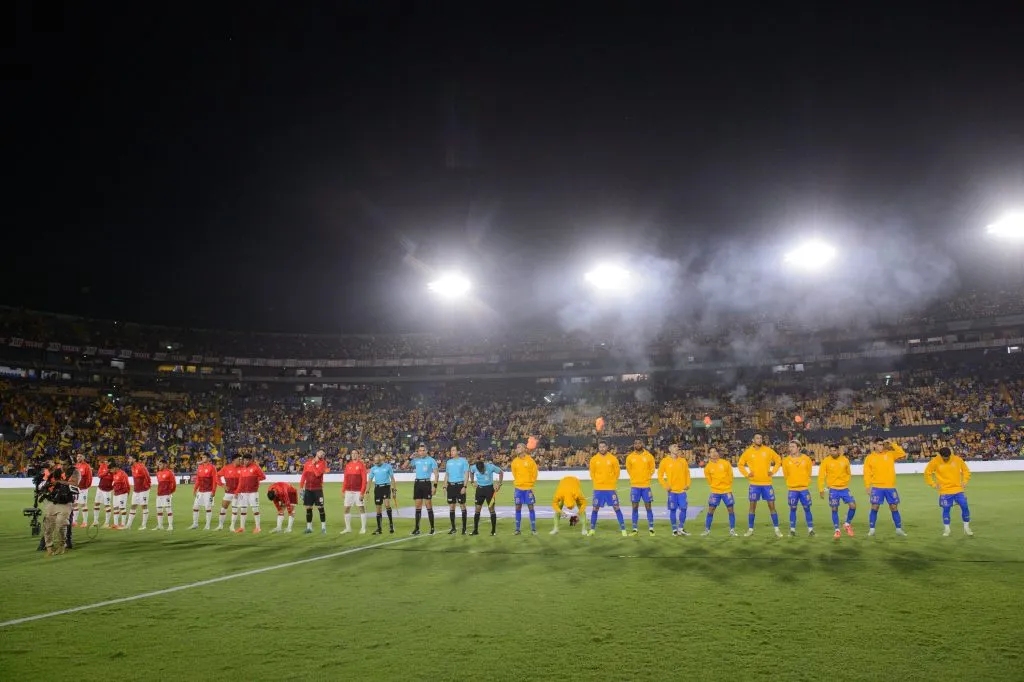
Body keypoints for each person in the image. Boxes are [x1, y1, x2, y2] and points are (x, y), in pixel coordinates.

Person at [737, 434, 782, 537]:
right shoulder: (748, 452)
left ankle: (777, 529)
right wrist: (747, 474)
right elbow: (740, 464)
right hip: (754, 484)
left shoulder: (768, 450)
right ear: (753, 440)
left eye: (761, 438)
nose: (759, 439)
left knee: (772, 506)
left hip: (767, 484)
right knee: (752, 507)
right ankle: (750, 529)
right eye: (757, 438)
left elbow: (778, 460)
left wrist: (773, 471)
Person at [923, 446, 973, 537]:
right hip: (945, 491)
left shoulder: (957, 459)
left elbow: (966, 471)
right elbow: (927, 474)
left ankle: (967, 527)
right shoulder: (934, 461)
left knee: (965, 507)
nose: (946, 459)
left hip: (958, 489)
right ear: (940, 455)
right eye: (944, 457)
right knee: (946, 509)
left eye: (948, 457)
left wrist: (965, 481)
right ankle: (947, 529)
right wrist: (933, 484)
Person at [863, 438, 908, 537]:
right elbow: (867, 473)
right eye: (879, 444)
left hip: (890, 487)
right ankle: (872, 529)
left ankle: (898, 529)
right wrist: (867, 486)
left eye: (883, 444)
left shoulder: (890, 454)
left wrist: (892, 444)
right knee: (875, 507)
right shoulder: (870, 458)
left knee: (894, 507)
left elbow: (902, 454)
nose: (881, 446)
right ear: (874, 445)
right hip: (877, 487)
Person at [40, 455, 80, 556]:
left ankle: (62, 545)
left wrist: (58, 482)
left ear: (70, 464)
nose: (62, 466)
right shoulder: (57, 471)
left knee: (61, 525)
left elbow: (75, 484)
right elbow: (48, 482)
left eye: (65, 464)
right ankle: (49, 546)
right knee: (48, 526)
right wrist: (45, 486)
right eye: (61, 464)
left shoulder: (75, 472)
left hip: (66, 502)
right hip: (53, 500)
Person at [588, 441, 626, 536]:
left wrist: (611, 482)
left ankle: (623, 529)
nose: (602, 448)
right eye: (600, 447)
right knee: (595, 508)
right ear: (598, 448)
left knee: (616, 507)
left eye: (603, 447)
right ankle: (592, 529)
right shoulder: (594, 459)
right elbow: (592, 473)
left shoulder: (613, 459)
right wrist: (597, 482)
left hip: (610, 489)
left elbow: (617, 472)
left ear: (607, 447)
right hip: (598, 489)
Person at [818, 445, 856, 539]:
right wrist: (821, 489)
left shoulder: (845, 460)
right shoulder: (826, 461)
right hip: (833, 489)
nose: (832, 452)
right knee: (834, 508)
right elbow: (821, 476)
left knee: (853, 505)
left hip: (844, 488)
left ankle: (847, 524)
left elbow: (848, 473)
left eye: (834, 450)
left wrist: (844, 482)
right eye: (830, 451)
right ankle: (837, 530)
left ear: (838, 451)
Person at [657, 444, 691, 536]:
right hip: (672, 491)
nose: (677, 448)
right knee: (673, 510)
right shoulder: (665, 461)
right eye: (675, 447)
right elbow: (659, 476)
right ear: (670, 449)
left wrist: (688, 484)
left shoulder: (683, 461)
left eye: (678, 447)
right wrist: (665, 486)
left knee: (684, 509)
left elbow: (687, 473)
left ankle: (680, 528)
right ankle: (674, 530)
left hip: (682, 491)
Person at [702, 447, 737, 537]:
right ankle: (707, 529)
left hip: (726, 490)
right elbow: (709, 480)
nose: (713, 453)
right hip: (715, 491)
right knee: (711, 510)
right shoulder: (708, 467)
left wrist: (727, 485)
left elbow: (730, 475)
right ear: (709, 454)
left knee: (730, 510)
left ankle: (732, 530)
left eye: (715, 451)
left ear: (718, 453)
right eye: (711, 452)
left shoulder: (725, 463)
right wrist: (715, 485)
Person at [782, 441, 814, 537]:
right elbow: (785, 474)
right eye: (790, 446)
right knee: (792, 509)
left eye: (793, 446)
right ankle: (792, 530)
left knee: (807, 508)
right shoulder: (786, 460)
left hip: (804, 489)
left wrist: (804, 481)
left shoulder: (806, 459)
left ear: (799, 447)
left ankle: (811, 530)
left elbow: (809, 472)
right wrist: (792, 482)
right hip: (792, 489)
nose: (790, 448)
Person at [625, 438, 657, 536]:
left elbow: (652, 469)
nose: (637, 444)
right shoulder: (630, 457)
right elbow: (629, 469)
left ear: (642, 444)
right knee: (634, 507)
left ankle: (651, 528)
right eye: (635, 443)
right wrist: (635, 477)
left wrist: (647, 477)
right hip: (635, 486)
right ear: (634, 445)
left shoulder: (649, 456)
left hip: (646, 486)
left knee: (648, 507)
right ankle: (635, 529)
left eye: (639, 443)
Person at [469, 457, 503, 536]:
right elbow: (471, 471)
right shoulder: (474, 467)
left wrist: (499, 484)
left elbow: (501, 472)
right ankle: (475, 530)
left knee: (491, 509)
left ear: (484, 466)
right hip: (479, 490)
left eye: (482, 470)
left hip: (489, 490)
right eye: (479, 471)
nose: (481, 472)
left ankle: (493, 531)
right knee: (477, 510)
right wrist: (472, 482)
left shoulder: (490, 466)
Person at [440, 446, 470, 535]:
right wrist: (444, 486)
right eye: (451, 450)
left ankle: (464, 528)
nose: (451, 452)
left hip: (460, 485)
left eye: (453, 450)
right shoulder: (449, 462)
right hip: (451, 486)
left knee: (462, 506)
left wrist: (464, 486)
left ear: (458, 451)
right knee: (452, 507)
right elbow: (447, 475)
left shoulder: (463, 461)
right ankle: (453, 528)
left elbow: (466, 474)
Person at [510, 443, 539, 535]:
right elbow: (514, 474)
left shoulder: (530, 460)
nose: (517, 449)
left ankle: (533, 529)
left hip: (528, 488)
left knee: (531, 507)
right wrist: (519, 482)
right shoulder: (514, 462)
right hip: (518, 488)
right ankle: (517, 529)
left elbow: (535, 473)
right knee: (518, 507)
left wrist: (530, 484)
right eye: (516, 447)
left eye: (519, 447)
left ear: (524, 448)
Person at [410, 444, 439, 536]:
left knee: (428, 506)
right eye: (419, 450)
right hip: (417, 483)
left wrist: (435, 486)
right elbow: (404, 466)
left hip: (426, 483)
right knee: (418, 506)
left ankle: (432, 528)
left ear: (426, 451)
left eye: (423, 450)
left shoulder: (431, 460)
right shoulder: (416, 460)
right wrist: (410, 457)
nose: (421, 452)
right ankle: (417, 529)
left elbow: (436, 474)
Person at [234, 453, 266, 533]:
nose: (245, 461)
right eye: (244, 460)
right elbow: (240, 481)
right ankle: (242, 527)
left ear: (250, 460)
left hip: (253, 492)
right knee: (243, 510)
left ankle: (258, 528)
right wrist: (237, 492)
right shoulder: (242, 469)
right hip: (243, 493)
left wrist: (255, 481)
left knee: (255, 509)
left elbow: (263, 477)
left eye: (247, 460)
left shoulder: (255, 467)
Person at [300, 449, 329, 534]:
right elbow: (304, 475)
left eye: (323, 453)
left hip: (317, 489)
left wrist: (313, 465)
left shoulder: (323, 463)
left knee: (320, 508)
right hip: (308, 489)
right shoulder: (307, 463)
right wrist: (301, 487)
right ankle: (309, 528)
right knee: (308, 508)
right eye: (320, 452)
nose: (321, 454)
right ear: (317, 453)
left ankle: (323, 528)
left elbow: (317, 474)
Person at [340, 448, 368, 535]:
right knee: (346, 509)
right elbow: (345, 479)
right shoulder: (348, 465)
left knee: (361, 508)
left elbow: (364, 480)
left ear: (358, 455)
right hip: (348, 491)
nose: (354, 455)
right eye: (352, 453)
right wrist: (343, 490)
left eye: (355, 453)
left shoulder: (361, 465)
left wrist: (362, 492)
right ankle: (348, 528)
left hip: (358, 491)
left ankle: (363, 528)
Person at [368, 454, 397, 535]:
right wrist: (367, 490)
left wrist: (394, 490)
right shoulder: (373, 468)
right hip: (377, 489)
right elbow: (370, 479)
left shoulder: (388, 466)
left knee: (387, 505)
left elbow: (392, 478)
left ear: (381, 460)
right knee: (378, 508)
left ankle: (391, 525)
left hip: (386, 487)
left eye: (377, 462)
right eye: (375, 462)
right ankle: (379, 528)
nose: (376, 464)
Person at [190, 454, 219, 530]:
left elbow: (215, 481)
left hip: (208, 492)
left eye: (204, 457)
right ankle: (195, 524)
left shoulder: (212, 467)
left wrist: (213, 491)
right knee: (195, 507)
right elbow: (198, 480)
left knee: (208, 508)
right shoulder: (200, 467)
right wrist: (195, 489)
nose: (203, 458)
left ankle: (207, 525)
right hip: (200, 491)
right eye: (202, 457)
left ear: (208, 458)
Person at [216, 454, 242, 531]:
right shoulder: (226, 468)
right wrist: (222, 485)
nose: (241, 461)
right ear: (234, 460)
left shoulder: (243, 468)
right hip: (228, 493)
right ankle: (220, 526)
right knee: (223, 509)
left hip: (237, 493)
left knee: (235, 510)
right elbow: (217, 476)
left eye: (241, 459)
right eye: (239, 459)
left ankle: (232, 526)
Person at [126, 455, 152, 531]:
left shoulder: (141, 467)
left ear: (134, 459)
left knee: (144, 506)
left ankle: (143, 525)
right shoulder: (132, 467)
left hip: (143, 490)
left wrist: (147, 487)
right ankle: (128, 525)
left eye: (130, 459)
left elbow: (147, 477)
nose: (128, 460)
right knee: (133, 506)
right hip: (136, 490)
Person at [92, 458, 115, 528]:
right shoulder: (103, 466)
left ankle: (107, 523)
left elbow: (115, 480)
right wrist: (106, 472)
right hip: (100, 488)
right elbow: (99, 475)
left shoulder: (114, 471)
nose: (106, 463)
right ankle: (95, 521)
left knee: (107, 506)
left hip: (107, 491)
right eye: (106, 462)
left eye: (107, 462)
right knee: (96, 504)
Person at [155, 460, 176, 531]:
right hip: (159, 494)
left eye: (160, 464)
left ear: (164, 465)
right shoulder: (158, 473)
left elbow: (174, 484)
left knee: (168, 510)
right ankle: (160, 525)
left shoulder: (169, 473)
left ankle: (170, 526)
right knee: (159, 510)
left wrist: (170, 492)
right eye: (159, 464)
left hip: (166, 494)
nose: (159, 466)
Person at [73, 453, 93, 529]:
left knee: (83, 504)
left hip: (83, 488)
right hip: (75, 487)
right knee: (75, 504)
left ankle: (85, 522)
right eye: (77, 456)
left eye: (80, 456)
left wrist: (86, 486)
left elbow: (89, 477)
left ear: (83, 457)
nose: (78, 457)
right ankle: (74, 521)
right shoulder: (76, 465)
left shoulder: (86, 466)